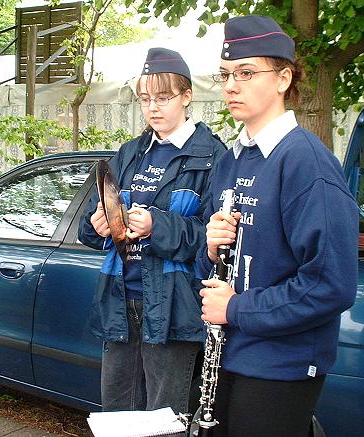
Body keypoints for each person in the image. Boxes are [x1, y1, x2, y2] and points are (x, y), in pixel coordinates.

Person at [196, 15, 359, 437]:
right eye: (226, 74)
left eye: (247, 73)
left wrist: (235, 308)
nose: (231, 85)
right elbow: (227, 267)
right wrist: (210, 248)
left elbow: (331, 284)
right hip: (229, 354)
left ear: (284, 77)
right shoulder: (232, 159)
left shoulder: (306, 162)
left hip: (281, 365)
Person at [78, 47, 226, 414]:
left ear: (187, 96)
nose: (153, 108)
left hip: (175, 307)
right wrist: (99, 226)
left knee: (163, 416)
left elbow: (217, 241)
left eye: (163, 97)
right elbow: (89, 225)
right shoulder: (129, 153)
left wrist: (156, 226)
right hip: (120, 302)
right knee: (117, 412)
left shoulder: (213, 157)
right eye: (145, 99)